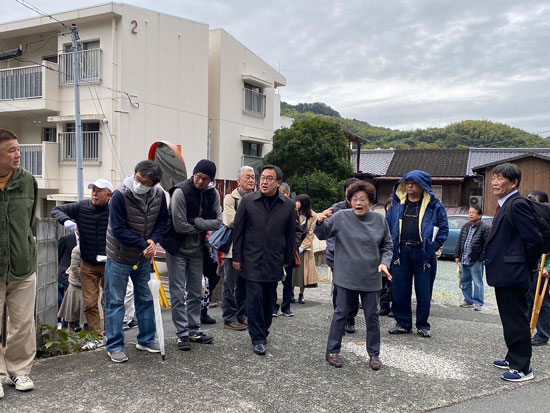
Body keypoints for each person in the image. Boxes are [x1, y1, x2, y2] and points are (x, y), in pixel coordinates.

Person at [315, 181, 393, 369]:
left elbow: (387, 246)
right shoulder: (341, 217)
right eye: (355, 199)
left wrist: (384, 263)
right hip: (345, 276)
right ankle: (332, 351)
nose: (358, 202)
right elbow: (321, 234)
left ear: (370, 201)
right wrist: (320, 221)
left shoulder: (380, 220)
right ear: (349, 201)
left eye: (363, 199)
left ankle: (374, 355)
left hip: (371, 277)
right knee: (340, 314)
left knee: (372, 316)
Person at [104, 160, 168, 363]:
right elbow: (118, 228)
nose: (138, 183)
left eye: (144, 182)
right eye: (138, 178)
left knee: (146, 298)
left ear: (153, 184)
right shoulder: (119, 195)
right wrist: (143, 244)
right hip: (119, 255)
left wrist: (153, 241)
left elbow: (163, 222)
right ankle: (114, 346)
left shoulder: (159, 195)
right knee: (115, 301)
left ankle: (146, 339)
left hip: (143, 257)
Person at [486, 163, 544, 382]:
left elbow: (534, 240)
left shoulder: (517, 204)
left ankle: (523, 368)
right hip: (506, 271)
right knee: (509, 318)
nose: (494, 182)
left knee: (517, 319)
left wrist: (528, 265)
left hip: (514, 271)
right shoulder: (505, 203)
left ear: (514, 182)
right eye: (493, 178)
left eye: (500, 178)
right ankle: (512, 357)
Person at [232, 165, 296, 356]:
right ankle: (257, 338)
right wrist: (237, 256)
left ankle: (264, 331)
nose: (265, 182)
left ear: (278, 182)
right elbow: (239, 231)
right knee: (254, 299)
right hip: (251, 259)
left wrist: (287, 259)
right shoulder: (248, 201)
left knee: (269, 300)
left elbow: (290, 235)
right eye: (263, 178)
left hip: (274, 259)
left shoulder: (288, 205)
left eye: (270, 178)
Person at [161, 159, 222, 351]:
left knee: (196, 291)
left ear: (210, 179)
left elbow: (218, 222)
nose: (200, 181)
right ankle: (181, 333)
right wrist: (203, 224)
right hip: (177, 248)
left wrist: (195, 221)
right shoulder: (180, 191)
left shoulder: (213, 194)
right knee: (178, 292)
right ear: (193, 174)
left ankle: (194, 329)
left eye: (205, 178)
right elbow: (179, 225)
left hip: (197, 249)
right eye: (197, 176)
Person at [386, 170, 448, 338]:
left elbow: (443, 230)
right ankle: (403, 323)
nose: (410, 185)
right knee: (400, 289)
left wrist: (432, 247)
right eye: (407, 182)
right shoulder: (396, 204)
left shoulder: (434, 205)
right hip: (401, 251)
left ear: (423, 186)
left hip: (424, 252)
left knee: (424, 290)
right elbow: (387, 226)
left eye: (414, 182)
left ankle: (423, 324)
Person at [0, 129, 38, 396]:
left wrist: (25, 246)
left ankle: (19, 371)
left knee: (23, 322)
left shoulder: (27, 181)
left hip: (23, 265)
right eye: (11, 150)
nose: (18, 154)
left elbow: (30, 221)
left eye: (18, 148)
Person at [52, 178, 113, 337]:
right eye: (93, 190)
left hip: (110, 262)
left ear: (109, 194)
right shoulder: (82, 206)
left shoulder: (115, 208)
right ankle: (95, 336)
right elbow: (57, 210)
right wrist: (66, 221)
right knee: (90, 303)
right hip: (88, 262)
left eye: (99, 191)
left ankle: (110, 336)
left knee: (110, 302)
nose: (94, 193)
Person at [221, 166, 255, 331]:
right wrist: (252, 221)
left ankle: (242, 315)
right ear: (238, 181)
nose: (251, 180)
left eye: (253, 177)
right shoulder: (230, 198)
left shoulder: (256, 198)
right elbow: (229, 221)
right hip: (232, 249)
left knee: (244, 285)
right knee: (230, 284)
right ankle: (229, 317)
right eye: (247, 177)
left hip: (250, 249)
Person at [325, 178, 359, 333]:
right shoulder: (336, 208)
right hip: (338, 257)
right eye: (349, 190)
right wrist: (333, 254)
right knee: (339, 289)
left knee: (354, 289)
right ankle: (339, 318)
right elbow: (330, 234)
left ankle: (350, 318)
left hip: (357, 258)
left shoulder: (364, 209)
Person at [272, 182, 302, 317]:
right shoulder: (272, 206)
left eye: (285, 193)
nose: (283, 196)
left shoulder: (292, 209)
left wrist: (294, 244)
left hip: (288, 249)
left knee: (287, 280)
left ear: (288, 194)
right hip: (273, 249)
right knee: (272, 280)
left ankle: (286, 306)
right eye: (281, 193)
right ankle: (273, 307)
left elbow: (298, 231)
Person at [525, 190, 550, 347]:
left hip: (543, 268)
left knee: (542, 301)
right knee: (527, 299)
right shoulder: (530, 220)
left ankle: (543, 334)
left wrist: (548, 267)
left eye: (532, 201)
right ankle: (526, 329)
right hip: (531, 267)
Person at [455, 206, 490, 311]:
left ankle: (478, 302)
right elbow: (460, 241)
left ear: (479, 215)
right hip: (464, 257)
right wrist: (457, 255)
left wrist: (481, 257)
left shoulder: (485, 228)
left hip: (476, 259)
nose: (470, 214)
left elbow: (487, 245)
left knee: (477, 281)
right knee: (464, 280)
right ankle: (468, 300)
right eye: (469, 212)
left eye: (473, 213)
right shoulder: (465, 226)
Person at [292, 194, 319, 305]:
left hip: (305, 249)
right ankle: (291, 293)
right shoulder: (294, 213)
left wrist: (302, 247)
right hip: (294, 246)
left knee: (304, 273)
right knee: (293, 272)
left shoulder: (313, 216)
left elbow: (311, 234)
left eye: (298, 201)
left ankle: (301, 294)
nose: (296, 203)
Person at [58, 244, 87, 332]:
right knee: (72, 307)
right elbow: (74, 267)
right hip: (76, 283)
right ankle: (71, 325)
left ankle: (87, 325)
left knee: (88, 306)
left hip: (89, 283)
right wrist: (85, 278)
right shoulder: (77, 249)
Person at [57, 230, 78, 329]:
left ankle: (74, 322)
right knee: (69, 297)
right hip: (65, 273)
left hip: (80, 272)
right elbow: (58, 254)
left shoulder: (86, 239)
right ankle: (67, 322)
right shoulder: (66, 239)